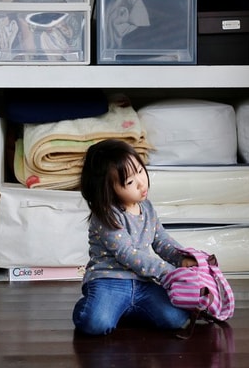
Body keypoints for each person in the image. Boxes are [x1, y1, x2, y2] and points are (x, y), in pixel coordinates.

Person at [72, 139, 197, 336]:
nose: (141, 183)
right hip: (109, 281)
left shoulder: (147, 208)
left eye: (140, 170)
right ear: (107, 189)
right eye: (130, 182)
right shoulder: (106, 215)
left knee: (176, 318)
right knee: (95, 324)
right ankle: (96, 306)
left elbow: (161, 240)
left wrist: (181, 258)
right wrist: (167, 271)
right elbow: (127, 253)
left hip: (143, 282)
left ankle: (127, 310)